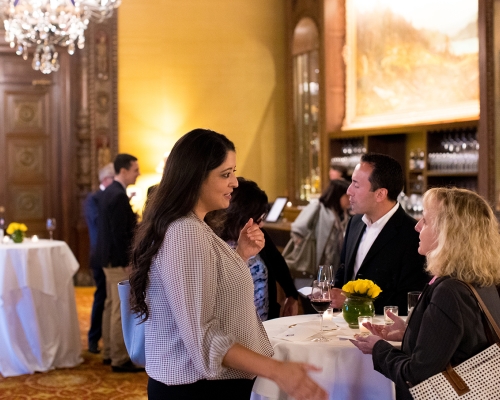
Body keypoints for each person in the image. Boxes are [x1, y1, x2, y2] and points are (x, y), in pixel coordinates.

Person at [129, 129, 327, 400]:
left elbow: (215, 294)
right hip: (197, 388)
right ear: (195, 178)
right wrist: (277, 370)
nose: (235, 182)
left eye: (234, 172)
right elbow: (203, 335)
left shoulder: (195, 226)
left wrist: (241, 255)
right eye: (225, 174)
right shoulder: (185, 231)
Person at [350, 187, 500, 400]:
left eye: (426, 221)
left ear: (449, 233)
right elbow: (462, 342)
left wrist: (379, 349)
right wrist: (412, 331)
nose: (417, 226)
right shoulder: (482, 280)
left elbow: (416, 376)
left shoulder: (449, 291)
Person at [331, 153, 428, 315]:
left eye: (356, 185)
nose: (349, 191)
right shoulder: (354, 223)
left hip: (385, 332)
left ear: (380, 194)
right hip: (344, 326)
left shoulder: (413, 234)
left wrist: (352, 301)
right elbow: (344, 270)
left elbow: (409, 298)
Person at [213, 177, 299, 321]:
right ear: (242, 215)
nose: (262, 223)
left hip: (265, 324)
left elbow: (277, 261)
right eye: (258, 217)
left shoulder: (256, 233)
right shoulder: (214, 243)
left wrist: (292, 295)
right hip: (234, 330)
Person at [96, 153, 142, 372]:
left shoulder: (108, 193)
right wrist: (127, 261)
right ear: (123, 171)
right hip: (117, 261)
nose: (138, 173)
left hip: (106, 258)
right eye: (135, 169)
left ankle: (108, 353)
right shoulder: (118, 196)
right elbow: (119, 234)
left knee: (109, 305)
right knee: (119, 309)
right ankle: (119, 358)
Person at [83, 162, 115, 354]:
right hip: (100, 254)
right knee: (101, 296)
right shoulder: (94, 199)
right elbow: (99, 223)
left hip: (110, 254)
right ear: (106, 179)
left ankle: (109, 341)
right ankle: (93, 338)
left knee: (110, 299)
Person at [290, 179, 350, 276]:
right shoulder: (318, 207)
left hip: (331, 261)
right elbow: (297, 229)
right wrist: (304, 250)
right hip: (314, 261)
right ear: (337, 196)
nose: (349, 199)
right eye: (346, 196)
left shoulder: (342, 214)